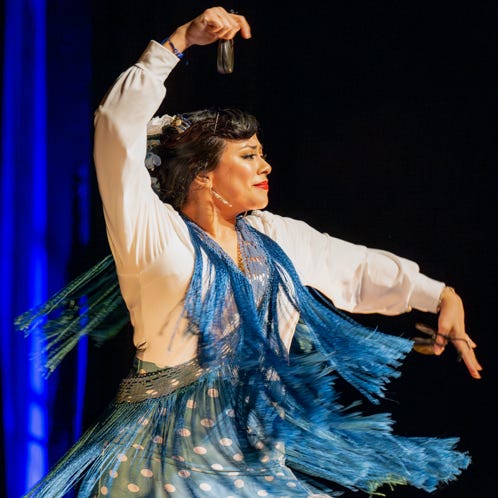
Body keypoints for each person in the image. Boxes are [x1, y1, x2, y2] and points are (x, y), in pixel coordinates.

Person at [21, 6, 482, 498]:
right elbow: (116, 128)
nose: (265, 165)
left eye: (260, 152)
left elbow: (354, 267)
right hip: (168, 464)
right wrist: (178, 43)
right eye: (247, 156)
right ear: (203, 174)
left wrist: (439, 296)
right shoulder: (155, 236)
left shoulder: (274, 238)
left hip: (256, 454)